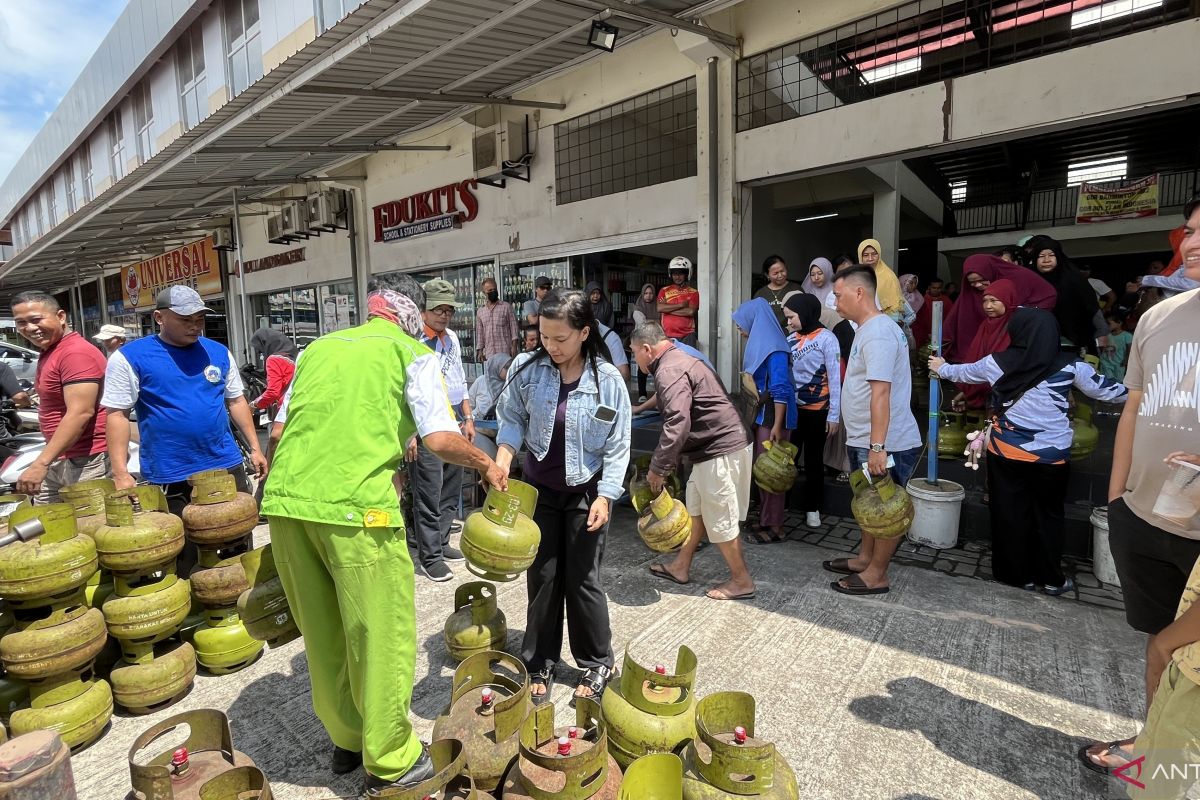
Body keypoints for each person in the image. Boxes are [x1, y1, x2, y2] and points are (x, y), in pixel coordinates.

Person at [263, 275, 506, 794]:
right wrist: (485, 464)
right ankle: (393, 757)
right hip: (357, 514)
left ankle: (348, 737)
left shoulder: (317, 350)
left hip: (286, 507)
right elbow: (440, 437)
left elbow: (280, 431)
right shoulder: (410, 353)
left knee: (325, 635)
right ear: (412, 314)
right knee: (382, 635)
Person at [1077, 202, 1200, 777]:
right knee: (1159, 643)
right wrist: (1117, 495)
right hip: (1144, 513)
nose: (1191, 242)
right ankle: (1157, 752)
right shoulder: (1160, 317)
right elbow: (1133, 407)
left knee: (1182, 652)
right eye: (1191, 231)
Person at [494, 290, 630, 705]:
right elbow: (512, 419)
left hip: (586, 492)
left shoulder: (606, 380)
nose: (549, 347)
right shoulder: (526, 369)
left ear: (584, 332)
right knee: (544, 578)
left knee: (584, 580)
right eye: (544, 336)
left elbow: (618, 445)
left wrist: (606, 496)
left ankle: (597, 661)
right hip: (539, 492)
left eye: (560, 339)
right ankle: (538, 662)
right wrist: (502, 462)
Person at [930, 309, 1127, 592]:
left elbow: (962, 372)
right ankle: (1051, 579)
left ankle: (1013, 575)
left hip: (1006, 453)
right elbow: (1108, 391)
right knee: (1048, 515)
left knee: (1008, 513)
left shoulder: (995, 362)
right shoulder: (1072, 366)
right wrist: (1145, 391)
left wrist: (941, 366)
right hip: (1052, 457)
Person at [102, 286, 268, 515]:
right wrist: (120, 472)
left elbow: (236, 401)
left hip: (225, 464)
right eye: (185, 319)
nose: (195, 326)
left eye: (200, 318)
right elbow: (117, 415)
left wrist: (255, 448)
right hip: (171, 471)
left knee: (235, 536)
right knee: (186, 545)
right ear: (159, 317)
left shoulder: (218, 352)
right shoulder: (130, 358)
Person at [635, 322, 755, 602]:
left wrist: (658, 467)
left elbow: (678, 421)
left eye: (634, 351)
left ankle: (741, 580)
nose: (634, 357)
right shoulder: (677, 359)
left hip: (720, 449)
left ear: (646, 348)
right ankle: (680, 566)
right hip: (712, 449)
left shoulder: (668, 369)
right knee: (697, 511)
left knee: (720, 516)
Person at [824, 266, 922, 596]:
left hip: (883, 443)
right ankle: (865, 558)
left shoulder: (879, 332)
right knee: (868, 501)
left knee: (886, 510)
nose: (835, 301)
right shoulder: (868, 328)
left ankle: (877, 573)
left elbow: (881, 392)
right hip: (866, 439)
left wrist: (878, 446)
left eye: (838, 295)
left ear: (859, 293)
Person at [1119, 467, 1200, 798]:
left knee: (1165, 781)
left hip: (1193, 676)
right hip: (1187, 662)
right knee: (1154, 758)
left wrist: (1164, 642)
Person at [10, 291, 108, 501]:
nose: (29, 328)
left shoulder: (75, 353)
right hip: (58, 456)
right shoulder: (51, 350)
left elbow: (81, 413)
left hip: (86, 461)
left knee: (85, 527)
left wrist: (40, 463)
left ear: (61, 317)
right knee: (49, 524)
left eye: (36, 320)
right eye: (21, 323)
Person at [409, 278, 475, 582]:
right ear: (423, 310)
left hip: (453, 424)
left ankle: (443, 540)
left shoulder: (452, 340)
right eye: (438, 309)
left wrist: (468, 416)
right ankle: (430, 557)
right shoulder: (411, 343)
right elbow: (403, 390)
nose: (444, 315)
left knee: (451, 487)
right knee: (428, 492)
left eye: (449, 310)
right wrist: (409, 432)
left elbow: (460, 378)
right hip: (425, 427)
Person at [733, 298, 795, 544]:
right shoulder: (761, 345)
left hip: (773, 418)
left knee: (773, 471)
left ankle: (775, 527)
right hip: (763, 416)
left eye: (741, 324)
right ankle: (766, 518)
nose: (739, 329)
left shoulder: (775, 348)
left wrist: (778, 426)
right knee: (763, 469)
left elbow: (781, 389)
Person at [782, 293, 841, 528]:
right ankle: (782, 503)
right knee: (788, 459)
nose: (789, 323)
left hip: (819, 411)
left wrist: (834, 415)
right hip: (793, 411)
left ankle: (813, 508)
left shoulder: (828, 339)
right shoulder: (789, 339)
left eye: (791, 317)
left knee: (815, 461)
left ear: (805, 313)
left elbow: (836, 379)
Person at [942, 253, 1056, 361]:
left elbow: (1048, 294)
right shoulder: (970, 290)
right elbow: (960, 314)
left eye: (982, 280)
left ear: (990, 272)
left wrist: (1024, 315)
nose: (977, 285)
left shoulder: (1017, 278)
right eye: (972, 282)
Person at [1026, 235, 1107, 355]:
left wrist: (1102, 333)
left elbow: (1091, 306)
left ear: (1059, 257)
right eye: (1041, 256)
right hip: (1038, 342)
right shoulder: (1029, 281)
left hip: (1073, 342)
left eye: (1051, 255)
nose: (1046, 260)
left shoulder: (1074, 279)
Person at [950, 279, 1017, 411]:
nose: (987, 306)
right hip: (987, 394)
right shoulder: (986, 325)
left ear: (1008, 299)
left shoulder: (1019, 325)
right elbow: (976, 360)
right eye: (985, 301)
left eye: (993, 300)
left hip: (1011, 398)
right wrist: (968, 393)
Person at [857, 238, 909, 324]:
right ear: (860, 256)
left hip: (885, 323)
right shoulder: (858, 276)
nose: (870, 258)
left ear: (879, 255)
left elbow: (895, 311)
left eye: (874, 254)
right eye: (865, 255)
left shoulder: (888, 276)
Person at [249, 328, 298, 415]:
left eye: (261, 351)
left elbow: (273, 392)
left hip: (285, 409)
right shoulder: (295, 357)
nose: (261, 355)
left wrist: (254, 404)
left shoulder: (274, 360)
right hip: (298, 404)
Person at [657, 256, 700, 347]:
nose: (677, 277)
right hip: (667, 335)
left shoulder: (693, 292)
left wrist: (667, 309)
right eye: (674, 274)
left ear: (687, 274)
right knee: (670, 361)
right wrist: (681, 305)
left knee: (688, 361)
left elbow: (690, 311)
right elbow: (660, 308)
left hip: (688, 336)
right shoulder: (664, 290)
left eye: (680, 274)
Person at [475, 276, 517, 362]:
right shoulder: (481, 311)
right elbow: (480, 334)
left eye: (494, 289)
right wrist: (480, 351)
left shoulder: (506, 307)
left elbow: (514, 329)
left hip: (505, 352)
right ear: (484, 293)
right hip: (489, 354)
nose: (493, 292)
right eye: (490, 291)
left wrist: (514, 347)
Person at [753, 255, 802, 329]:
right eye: (775, 273)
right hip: (768, 334)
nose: (780, 275)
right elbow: (755, 317)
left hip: (792, 334)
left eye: (782, 271)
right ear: (767, 275)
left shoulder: (796, 289)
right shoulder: (760, 294)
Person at [631, 283, 660, 402]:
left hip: (656, 340)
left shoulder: (658, 306)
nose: (648, 296)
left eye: (651, 293)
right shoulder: (638, 308)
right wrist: (656, 321)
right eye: (646, 293)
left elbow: (662, 322)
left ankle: (658, 393)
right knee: (642, 367)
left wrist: (653, 321)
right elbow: (643, 323)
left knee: (657, 366)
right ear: (642, 294)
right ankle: (642, 394)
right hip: (642, 340)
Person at [910, 277, 954, 349]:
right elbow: (917, 320)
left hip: (942, 335)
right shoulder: (921, 300)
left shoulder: (947, 301)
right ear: (929, 287)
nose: (936, 290)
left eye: (939, 288)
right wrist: (926, 334)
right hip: (924, 336)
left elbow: (951, 318)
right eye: (934, 288)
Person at [1098, 312, 1133, 383]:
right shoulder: (1106, 334)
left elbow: (1130, 350)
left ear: (1119, 323)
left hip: (1119, 363)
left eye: (1109, 323)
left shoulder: (1127, 336)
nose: (1106, 326)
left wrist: (1126, 361)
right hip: (1106, 362)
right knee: (1106, 382)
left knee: (1117, 383)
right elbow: (1101, 347)